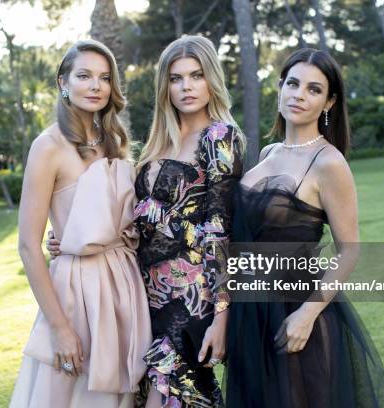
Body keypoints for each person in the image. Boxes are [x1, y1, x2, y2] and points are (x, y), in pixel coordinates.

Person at [223, 48, 384, 408]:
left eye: (314, 89)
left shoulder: (328, 162)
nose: (300, 94)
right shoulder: (269, 153)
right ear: (281, 87)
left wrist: (309, 312)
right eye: (293, 83)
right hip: (251, 312)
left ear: (329, 102)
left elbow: (350, 250)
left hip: (296, 313)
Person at [10, 39, 151, 408]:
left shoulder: (114, 142)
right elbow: (28, 245)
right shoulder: (48, 147)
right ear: (63, 82)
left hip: (124, 284)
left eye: (104, 78)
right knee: (73, 392)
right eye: (84, 76)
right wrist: (59, 328)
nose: (95, 86)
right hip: (77, 292)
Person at [133, 35, 244, 408]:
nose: (186, 87)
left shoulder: (220, 138)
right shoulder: (157, 142)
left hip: (192, 297)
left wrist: (222, 318)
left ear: (211, 78)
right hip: (144, 294)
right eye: (176, 78)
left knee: (170, 394)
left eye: (196, 76)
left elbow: (220, 233)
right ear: (165, 86)